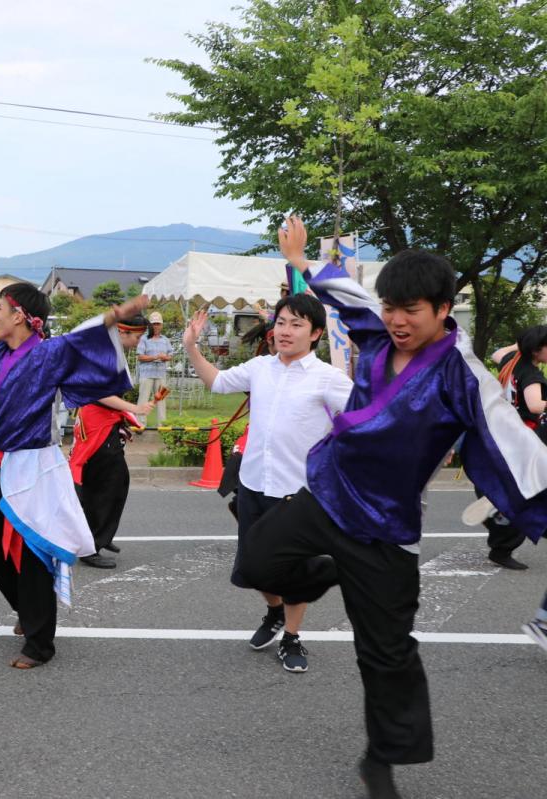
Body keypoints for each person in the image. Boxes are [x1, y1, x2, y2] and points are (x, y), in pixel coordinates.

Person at [239, 217, 547, 799]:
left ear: (441, 308)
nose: (397, 321)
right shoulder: (379, 337)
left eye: (411, 311)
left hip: (386, 527)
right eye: (390, 308)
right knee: (256, 564)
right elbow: (347, 296)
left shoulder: (464, 375)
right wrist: (303, 263)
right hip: (329, 493)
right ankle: (327, 569)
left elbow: (518, 444)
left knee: (387, 654)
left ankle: (381, 759)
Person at [0, 252, 148, 669]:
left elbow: (83, 336)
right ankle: (28, 612)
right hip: (1, 463)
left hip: (37, 466)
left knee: (31, 558)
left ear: (22, 317)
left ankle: (40, 643)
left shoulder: (48, 355)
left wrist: (115, 314)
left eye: (0, 308)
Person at [185, 294, 353, 672]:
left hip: (297, 495)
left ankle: (292, 638)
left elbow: (364, 416)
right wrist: (191, 347)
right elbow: (217, 382)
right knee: (253, 566)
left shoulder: (328, 378)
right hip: (254, 483)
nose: (285, 331)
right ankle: (273, 612)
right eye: (281, 322)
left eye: (296, 324)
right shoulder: (260, 367)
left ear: (314, 334)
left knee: (293, 570)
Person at [69, 316, 157, 569]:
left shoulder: (107, 352)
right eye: (137, 337)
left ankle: (101, 535)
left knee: (108, 484)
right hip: (97, 427)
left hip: (101, 424)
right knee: (107, 485)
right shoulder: (106, 354)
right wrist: (133, 408)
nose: (138, 343)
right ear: (122, 331)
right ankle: (92, 544)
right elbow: (99, 392)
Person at [461, 325, 547, 570]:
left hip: (503, 436)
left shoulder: (511, 363)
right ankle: (502, 530)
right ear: (537, 349)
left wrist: (522, 344)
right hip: (524, 441)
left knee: (518, 490)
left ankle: (496, 505)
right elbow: (535, 405)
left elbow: (497, 353)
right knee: (525, 495)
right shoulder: (530, 374)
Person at [136, 311, 172, 425]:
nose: (156, 326)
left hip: (161, 374)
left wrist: (165, 357)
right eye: (154, 324)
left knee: (162, 399)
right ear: (149, 325)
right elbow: (140, 356)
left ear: (161, 325)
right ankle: (140, 424)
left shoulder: (165, 340)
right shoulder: (143, 339)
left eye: (158, 323)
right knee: (143, 399)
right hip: (146, 375)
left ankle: (162, 425)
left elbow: (170, 356)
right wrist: (156, 357)